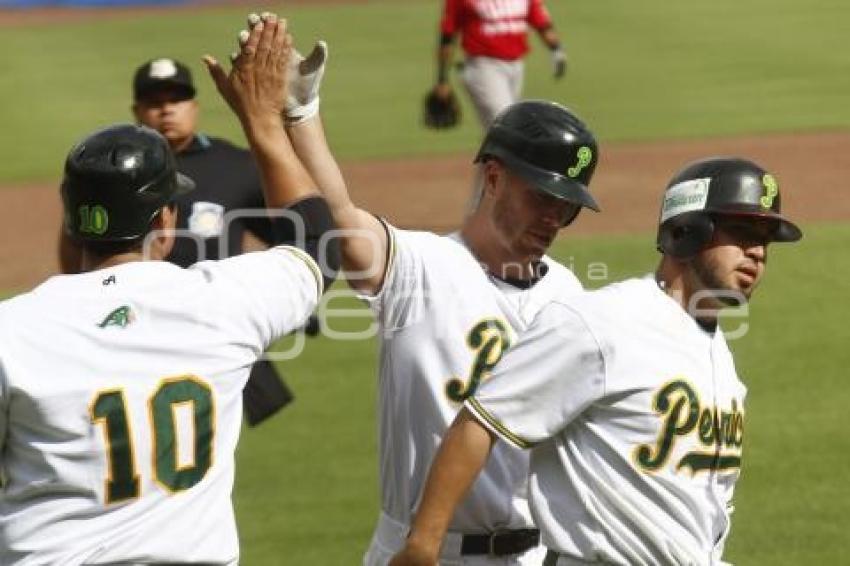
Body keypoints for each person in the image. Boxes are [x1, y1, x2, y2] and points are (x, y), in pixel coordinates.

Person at [258, 19, 600, 561]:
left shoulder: (570, 295)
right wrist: (301, 114)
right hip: (419, 551)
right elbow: (339, 214)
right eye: (542, 199)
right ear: (492, 178)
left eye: (568, 207)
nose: (554, 219)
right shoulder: (420, 265)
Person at [0, 16, 336, 563]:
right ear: (166, 220)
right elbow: (321, 244)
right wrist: (268, 122)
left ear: (73, 221)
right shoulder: (223, 305)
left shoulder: (13, 331)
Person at [390, 157, 803, 566]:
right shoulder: (600, 322)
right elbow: (482, 421)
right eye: (743, 231)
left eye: (766, 239)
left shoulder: (719, 358)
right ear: (685, 230)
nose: (757, 252)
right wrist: (424, 545)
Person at [58, 53, 318, 427]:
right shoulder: (115, 175)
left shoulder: (236, 165)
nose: (166, 111)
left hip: (216, 327)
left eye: (176, 100)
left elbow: (284, 233)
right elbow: (310, 238)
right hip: (136, 330)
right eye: (154, 102)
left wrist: (286, 299)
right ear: (137, 109)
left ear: (194, 106)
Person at [432, 0, 568, 129]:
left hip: (516, 66)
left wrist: (556, 50)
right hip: (483, 68)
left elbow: (541, 22)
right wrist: (442, 79)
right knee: (507, 125)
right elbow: (447, 36)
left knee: (502, 129)